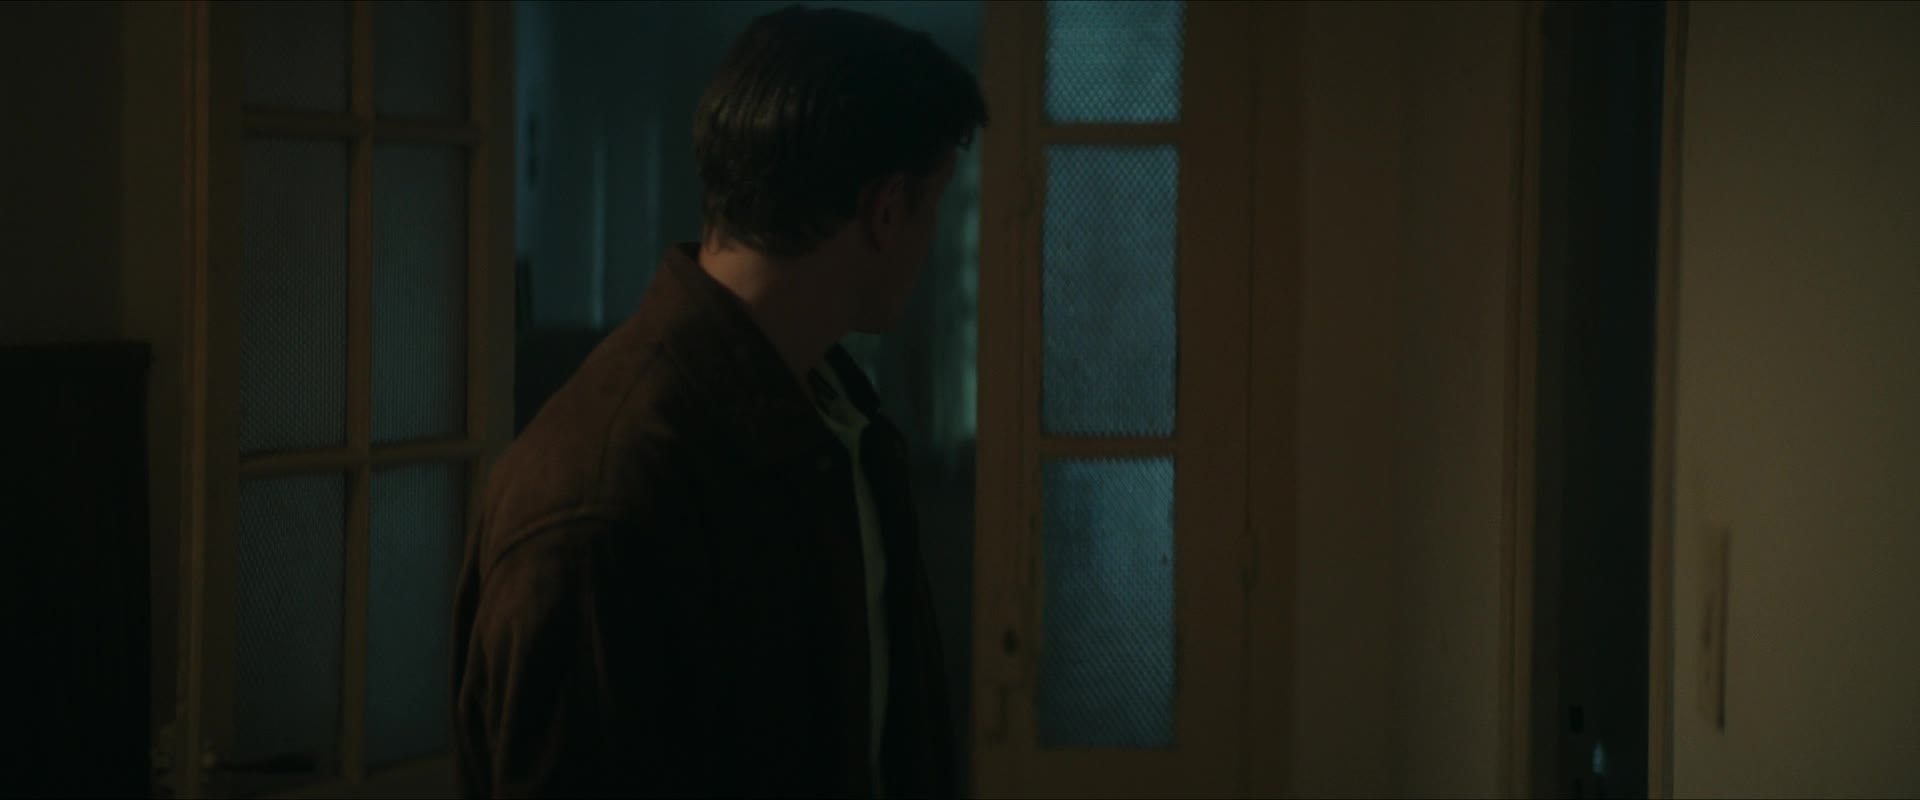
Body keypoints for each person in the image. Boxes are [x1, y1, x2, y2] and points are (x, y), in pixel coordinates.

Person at [450, 5, 988, 798]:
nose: (932, 235)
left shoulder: (836, 418)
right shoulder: (605, 496)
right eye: (931, 206)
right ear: (884, 211)